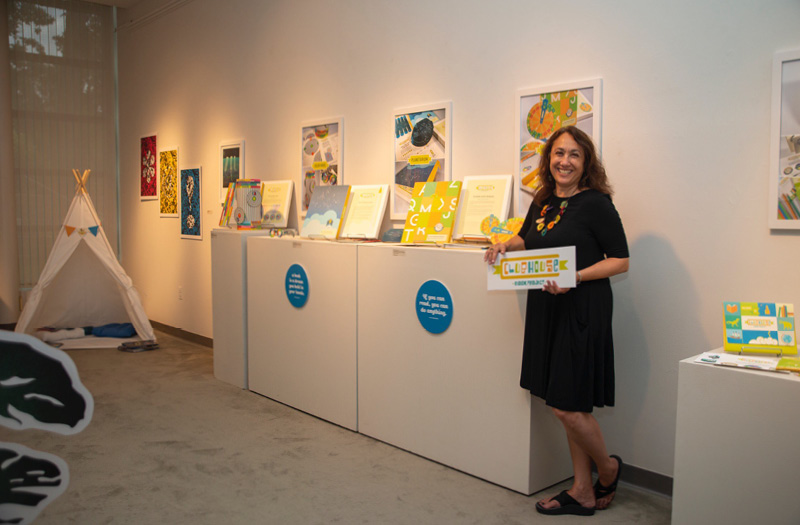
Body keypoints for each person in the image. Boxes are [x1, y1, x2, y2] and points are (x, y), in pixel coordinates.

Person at [484, 126, 629, 516]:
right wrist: (505, 244)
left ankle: (607, 468)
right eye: (558, 153)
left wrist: (576, 277)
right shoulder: (544, 199)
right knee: (567, 401)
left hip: (582, 308)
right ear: (549, 159)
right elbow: (527, 238)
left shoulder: (597, 203)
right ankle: (583, 489)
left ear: (586, 163)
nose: (565, 161)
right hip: (548, 307)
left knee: (567, 406)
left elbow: (621, 259)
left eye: (574, 155)